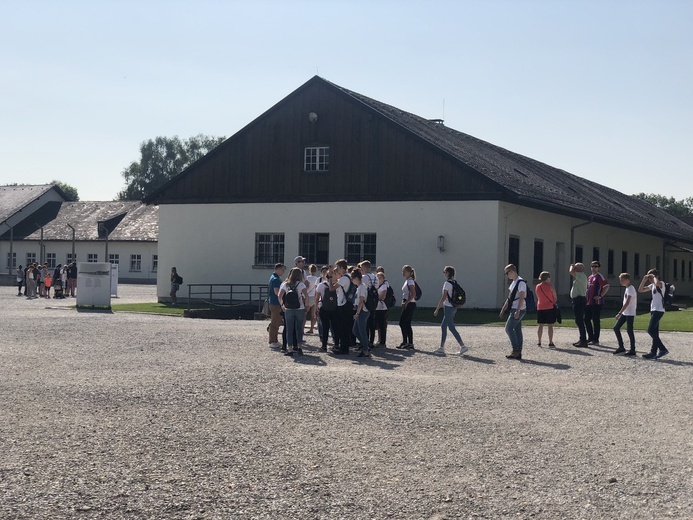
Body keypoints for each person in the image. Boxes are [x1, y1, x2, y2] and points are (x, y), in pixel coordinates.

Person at [433, 266, 468, 355]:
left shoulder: (447, 284)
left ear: (448, 273)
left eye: (444, 272)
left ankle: (462, 346)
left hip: (448, 307)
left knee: (451, 327)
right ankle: (441, 347)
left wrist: (437, 309)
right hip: (454, 306)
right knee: (443, 326)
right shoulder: (454, 282)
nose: (444, 273)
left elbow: (443, 297)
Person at [638, 269, 669, 359]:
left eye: (651, 278)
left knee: (650, 330)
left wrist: (654, 277)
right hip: (653, 309)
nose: (650, 279)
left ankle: (663, 349)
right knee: (655, 332)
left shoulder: (661, 284)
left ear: (656, 276)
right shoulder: (652, 286)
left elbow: (657, 283)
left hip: (659, 310)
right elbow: (640, 290)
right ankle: (653, 352)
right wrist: (644, 279)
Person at [278, 267, 309, 356]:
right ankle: (299, 347)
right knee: (299, 328)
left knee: (289, 329)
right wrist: (306, 305)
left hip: (288, 309)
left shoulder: (285, 284)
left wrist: (282, 305)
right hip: (299, 308)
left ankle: (290, 348)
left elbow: (280, 296)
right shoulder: (301, 284)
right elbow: (306, 296)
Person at [499, 264, 527, 360]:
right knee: (517, 330)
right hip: (514, 308)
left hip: (518, 309)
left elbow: (522, 297)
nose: (507, 275)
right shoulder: (514, 283)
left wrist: (518, 310)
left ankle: (516, 350)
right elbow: (510, 297)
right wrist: (503, 308)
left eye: (507, 273)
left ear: (512, 271)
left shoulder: (520, 282)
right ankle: (518, 352)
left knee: (508, 328)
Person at [328, 259, 353, 355]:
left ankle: (344, 348)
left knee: (342, 327)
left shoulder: (344, 278)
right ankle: (344, 346)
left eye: (338, 267)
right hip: (346, 304)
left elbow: (331, 288)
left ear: (342, 268)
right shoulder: (348, 277)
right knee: (344, 327)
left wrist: (330, 278)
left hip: (343, 304)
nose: (337, 269)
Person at [585, 261, 610, 345]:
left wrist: (600, 295)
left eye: (595, 266)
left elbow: (606, 286)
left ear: (598, 268)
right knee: (586, 319)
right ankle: (590, 337)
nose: (593, 268)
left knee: (595, 320)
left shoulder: (599, 277)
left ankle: (595, 339)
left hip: (596, 302)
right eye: (592, 266)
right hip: (589, 302)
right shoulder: (590, 277)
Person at [613, 273, 637, 356]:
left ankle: (633, 349)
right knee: (616, 328)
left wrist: (619, 313)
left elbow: (627, 303)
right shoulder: (627, 288)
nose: (621, 282)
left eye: (622, 280)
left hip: (630, 313)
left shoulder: (631, 288)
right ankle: (621, 347)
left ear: (627, 280)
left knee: (629, 330)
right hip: (625, 312)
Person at [351, 269, 371, 357]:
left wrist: (357, 313)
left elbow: (361, 301)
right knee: (355, 330)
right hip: (360, 311)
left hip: (363, 311)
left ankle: (365, 350)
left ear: (356, 278)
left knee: (362, 331)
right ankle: (365, 345)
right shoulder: (359, 287)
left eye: (352, 278)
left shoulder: (362, 287)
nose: (352, 280)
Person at [535, 271, 558, 348]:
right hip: (549, 307)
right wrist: (553, 302)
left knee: (540, 325)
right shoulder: (550, 286)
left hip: (540, 307)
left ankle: (539, 341)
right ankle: (550, 341)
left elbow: (538, 296)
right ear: (547, 278)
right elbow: (555, 297)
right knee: (550, 325)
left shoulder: (538, 286)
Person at [359, 260, 378, 348]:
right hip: (374, 300)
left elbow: (363, 287)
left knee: (365, 322)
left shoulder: (364, 277)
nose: (361, 270)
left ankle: (365, 340)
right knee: (372, 322)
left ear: (366, 268)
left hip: (366, 300)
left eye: (362, 268)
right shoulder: (375, 277)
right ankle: (371, 341)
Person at [398, 265, 417, 349]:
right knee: (407, 323)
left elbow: (413, 294)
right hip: (408, 303)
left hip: (410, 304)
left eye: (404, 271)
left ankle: (406, 341)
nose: (403, 273)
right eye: (403, 271)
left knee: (402, 322)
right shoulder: (407, 281)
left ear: (409, 272)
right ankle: (409, 342)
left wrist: (407, 302)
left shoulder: (410, 281)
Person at [569, 262, 588, 347]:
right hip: (578, 300)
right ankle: (582, 339)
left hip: (579, 300)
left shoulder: (581, 276)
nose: (575, 269)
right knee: (579, 320)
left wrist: (571, 266)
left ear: (580, 269)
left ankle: (583, 340)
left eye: (576, 268)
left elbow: (570, 271)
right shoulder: (580, 276)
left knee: (579, 321)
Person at [267, 263, 285, 349]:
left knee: (276, 322)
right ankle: (272, 341)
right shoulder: (276, 279)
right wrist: (282, 301)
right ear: (278, 269)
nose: (283, 271)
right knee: (275, 323)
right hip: (276, 303)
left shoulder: (273, 277)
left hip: (273, 302)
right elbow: (276, 292)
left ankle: (275, 340)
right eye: (282, 269)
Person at [374, 268, 389, 347]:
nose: (378, 279)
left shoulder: (384, 286)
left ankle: (382, 342)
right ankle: (379, 340)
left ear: (383, 279)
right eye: (377, 278)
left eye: (380, 278)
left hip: (382, 308)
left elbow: (383, 296)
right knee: (376, 324)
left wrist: (376, 297)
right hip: (376, 307)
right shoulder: (377, 286)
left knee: (382, 325)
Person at [304, 264, 319, 334]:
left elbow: (306, 287)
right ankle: (311, 328)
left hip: (308, 296)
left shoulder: (307, 278)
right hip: (315, 296)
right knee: (313, 314)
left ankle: (302, 327)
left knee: (305, 313)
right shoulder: (317, 278)